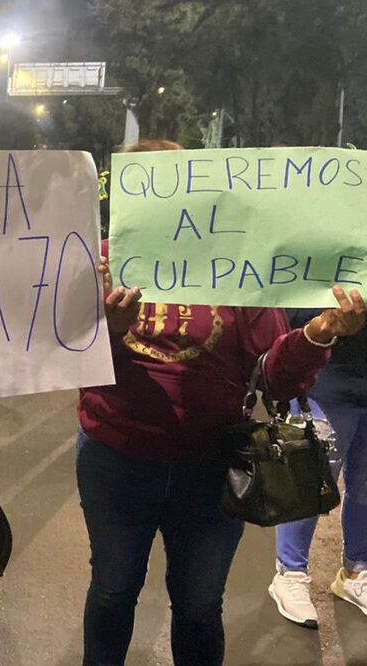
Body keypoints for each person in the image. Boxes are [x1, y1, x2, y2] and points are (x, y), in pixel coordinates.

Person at [76, 138, 366, 665]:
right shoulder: (96, 265)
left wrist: (320, 334)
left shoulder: (234, 266)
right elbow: (61, 356)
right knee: (113, 590)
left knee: (200, 605)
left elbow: (275, 378)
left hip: (209, 469)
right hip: (115, 459)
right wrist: (105, 330)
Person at [268, 312, 367, 627]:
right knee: (308, 479)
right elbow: (292, 303)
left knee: (365, 485)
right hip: (328, 379)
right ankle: (290, 573)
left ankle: (356, 571)